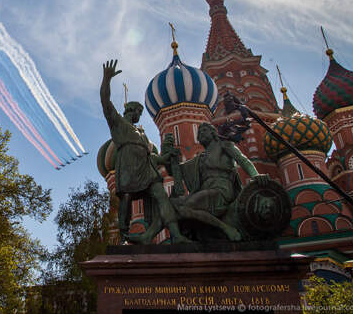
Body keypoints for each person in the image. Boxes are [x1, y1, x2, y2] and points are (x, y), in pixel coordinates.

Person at [101, 59, 188, 244]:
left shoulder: (141, 134)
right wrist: (106, 80)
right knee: (125, 199)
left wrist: (164, 158)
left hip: (147, 170)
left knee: (162, 197)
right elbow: (105, 102)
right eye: (138, 113)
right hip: (127, 168)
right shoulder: (118, 123)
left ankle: (176, 234)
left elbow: (150, 155)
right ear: (130, 110)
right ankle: (124, 235)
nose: (139, 117)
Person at [171, 122, 269, 241]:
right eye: (199, 132)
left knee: (186, 208)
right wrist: (170, 157)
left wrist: (256, 175)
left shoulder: (224, 145)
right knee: (174, 205)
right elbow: (176, 171)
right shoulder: (201, 157)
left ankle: (227, 228)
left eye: (204, 131)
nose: (201, 134)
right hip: (205, 189)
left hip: (222, 188)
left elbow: (243, 160)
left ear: (213, 133)